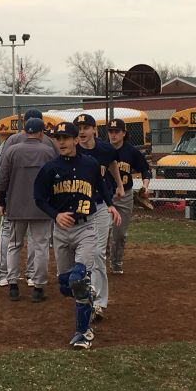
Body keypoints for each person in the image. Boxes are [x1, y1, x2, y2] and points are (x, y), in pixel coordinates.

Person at [34, 121, 120, 350]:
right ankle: (88, 297)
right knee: (65, 286)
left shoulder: (90, 164)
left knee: (78, 280)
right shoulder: (50, 169)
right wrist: (55, 214)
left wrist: (110, 205)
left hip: (86, 227)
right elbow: (39, 198)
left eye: (65, 138)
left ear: (75, 140)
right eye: (58, 138)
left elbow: (101, 186)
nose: (61, 142)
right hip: (61, 231)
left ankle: (83, 332)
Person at [0, 109, 55, 287]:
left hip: (14, 200)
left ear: (25, 124)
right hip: (41, 204)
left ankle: (1, 274)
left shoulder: (14, 140)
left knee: (10, 239)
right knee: (38, 241)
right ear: (41, 125)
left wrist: (2, 199)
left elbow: (2, 172)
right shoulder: (49, 142)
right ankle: (32, 275)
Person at [74, 112, 124, 320]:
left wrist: (120, 185)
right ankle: (84, 294)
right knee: (78, 257)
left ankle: (99, 302)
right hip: (77, 207)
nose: (82, 131)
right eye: (79, 127)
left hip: (101, 205)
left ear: (94, 130)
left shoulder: (105, 149)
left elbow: (112, 164)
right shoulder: (72, 149)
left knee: (97, 254)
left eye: (86, 127)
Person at [105, 118, 152, 275]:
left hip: (125, 196)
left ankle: (116, 262)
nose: (113, 134)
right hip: (105, 196)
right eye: (110, 131)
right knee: (103, 231)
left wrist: (145, 186)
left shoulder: (131, 151)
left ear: (124, 133)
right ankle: (98, 259)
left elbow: (146, 170)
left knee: (120, 234)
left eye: (117, 131)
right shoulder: (102, 150)